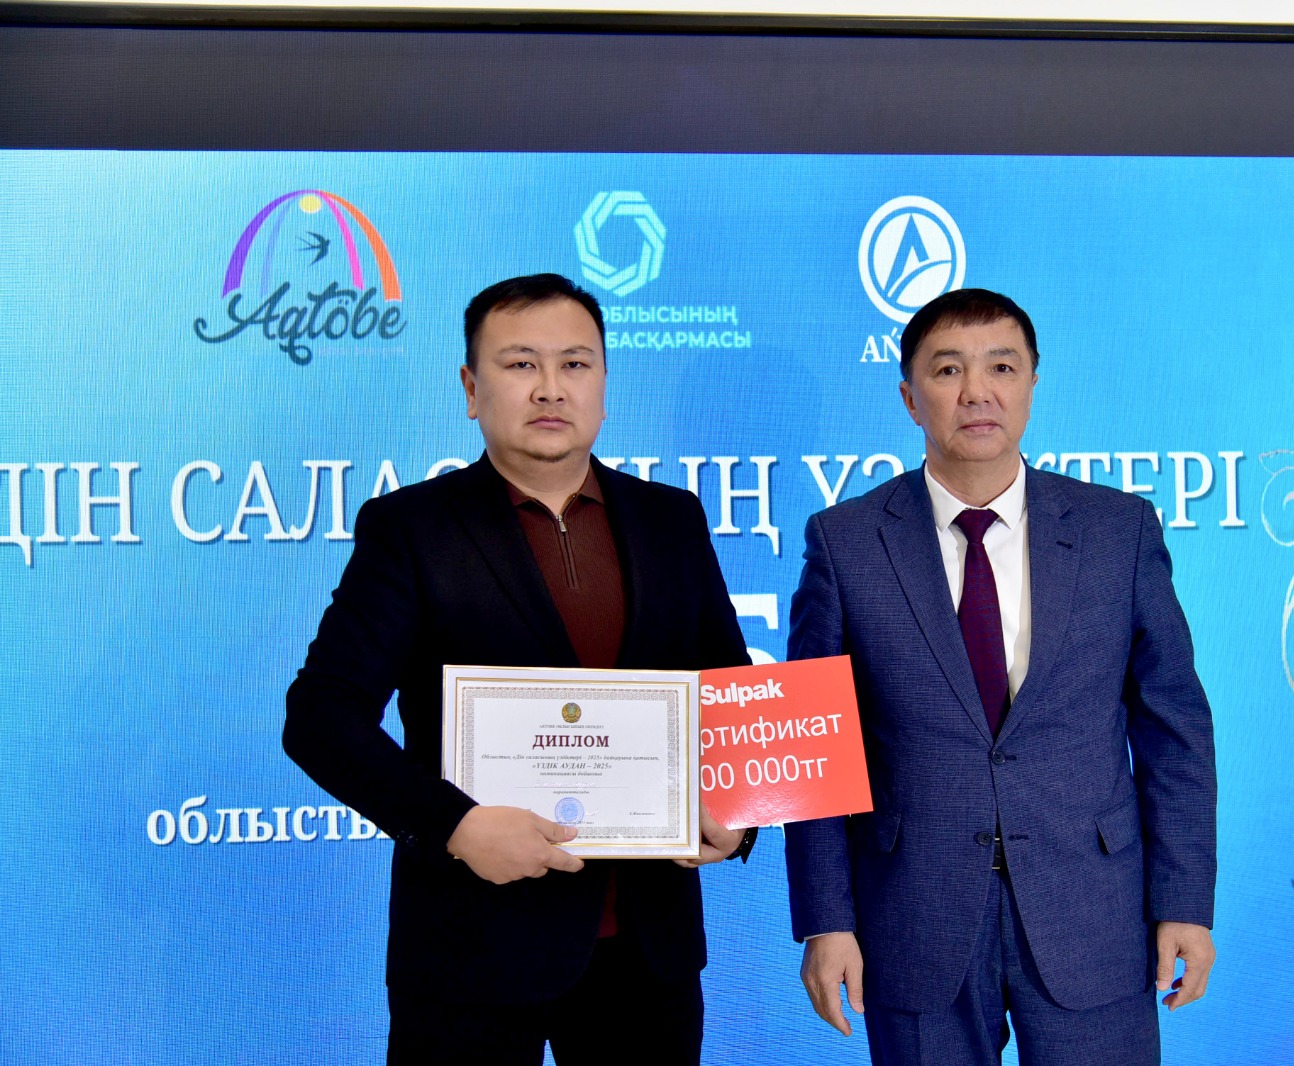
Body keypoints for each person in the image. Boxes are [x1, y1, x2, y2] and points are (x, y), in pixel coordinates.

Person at [284, 273, 755, 1065]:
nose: (550, 388)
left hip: (647, 956)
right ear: (472, 389)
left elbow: (731, 695)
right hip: (471, 950)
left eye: (575, 364)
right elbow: (322, 715)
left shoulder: (671, 520)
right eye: (520, 364)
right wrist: (456, 825)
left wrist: (737, 813)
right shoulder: (412, 529)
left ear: (603, 383)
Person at [783, 288, 1217, 1065]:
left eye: (1002, 368)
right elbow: (814, 749)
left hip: (1092, 908)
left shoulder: (1118, 531)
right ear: (910, 396)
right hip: (913, 913)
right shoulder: (845, 543)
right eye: (948, 369)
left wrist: (1184, 902)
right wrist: (826, 919)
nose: (977, 392)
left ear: (1032, 385)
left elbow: (1174, 727)